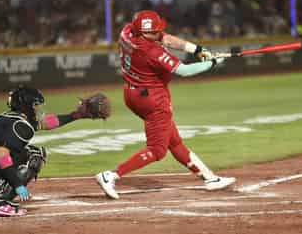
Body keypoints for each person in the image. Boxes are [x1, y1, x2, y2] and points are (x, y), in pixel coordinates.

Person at [95, 10, 236, 199]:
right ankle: (111, 175)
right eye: (153, 32)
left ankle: (210, 178)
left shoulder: (128, 31)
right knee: (157, 150)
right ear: (143, 33)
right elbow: (184, 71)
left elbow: (166, 38)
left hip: (132, 93)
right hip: (153, 99)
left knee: (174, 142)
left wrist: (198, 50)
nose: (157, 34)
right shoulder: (150, 51)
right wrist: (213, 63)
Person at [0, 85, 110, 217]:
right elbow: (1, 155)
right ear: (27, 106)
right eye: (35, 105)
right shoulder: (21, 126)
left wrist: (76, 115)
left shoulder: (10, 118)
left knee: (15, 154)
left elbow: (46, 123)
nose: (38, 109)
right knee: (33, 155)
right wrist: (17, 184)